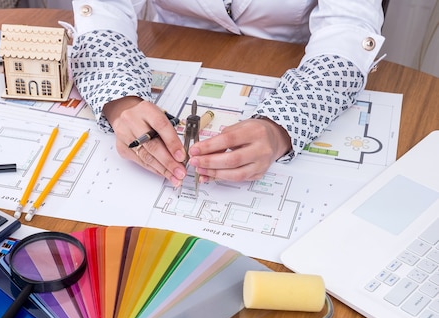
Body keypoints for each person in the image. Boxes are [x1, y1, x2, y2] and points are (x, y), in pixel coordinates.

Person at [67, 1, 386, 187]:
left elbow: (347, 29)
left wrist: (280, 127)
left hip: (291, 59)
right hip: (172, 43)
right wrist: (121, 102)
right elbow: (105, 10)